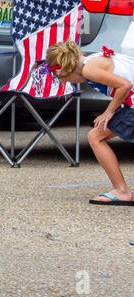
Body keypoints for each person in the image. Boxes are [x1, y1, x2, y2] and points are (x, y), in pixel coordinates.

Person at [47, 41, 134, 205]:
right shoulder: (94, 59)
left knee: (96, 137)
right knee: (97, 135)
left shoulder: (89, 69)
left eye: (65, 79)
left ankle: (121, 191)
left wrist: (109, 111)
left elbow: (125, 85)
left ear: (65, 68)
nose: (71, 82)